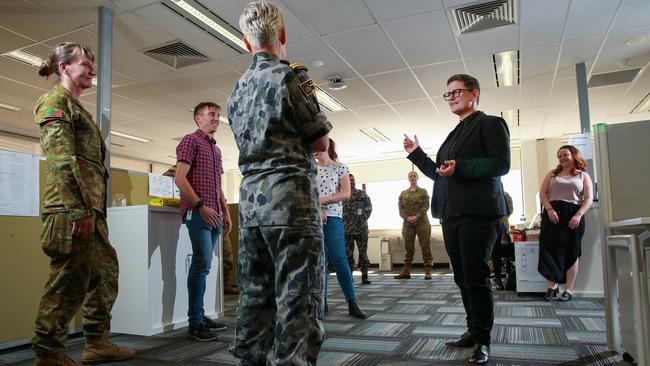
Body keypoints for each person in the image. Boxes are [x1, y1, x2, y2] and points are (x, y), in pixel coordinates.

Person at [228, 1, 332, 364]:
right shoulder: (290, 77)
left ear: (245, 42)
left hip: (252, 206)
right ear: (282, 35)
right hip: (291, 202)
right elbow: (320, 142)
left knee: (254, 295)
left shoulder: (237, 89)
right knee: (297, 296)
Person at [32, 42, 134, 365]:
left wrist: (90, 209)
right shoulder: (53, 102)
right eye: (85, 64)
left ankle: (96, 342)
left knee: (105, 273)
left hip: (90, 210)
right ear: (64, 67)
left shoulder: (78, 110)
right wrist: (78, 209)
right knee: (68, 280)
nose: (92, 70)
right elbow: (62, 161)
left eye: (93, 64)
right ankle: (48, 352)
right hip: (69, 210)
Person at [403, 74, 510, 365]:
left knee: (476, 277)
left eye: (456, 92)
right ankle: (473, 331)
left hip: (479, 213)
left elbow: (501, 164)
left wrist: (460, 166)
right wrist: (416, 153)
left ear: (474, 93)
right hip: (451, 215)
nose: (451, 97)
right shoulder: (455, 133)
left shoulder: (490, 124)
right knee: (463, 277)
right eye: (447, 94)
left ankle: (484, 341)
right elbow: (440, 172)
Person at [175, 102, 231, 341]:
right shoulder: (190, 140)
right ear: (198, 118)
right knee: (201, 265)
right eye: (211, 114)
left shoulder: (216, 150)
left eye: (218, 115)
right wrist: (200, 206)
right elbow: (180, 178)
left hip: (215, 214)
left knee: (205, 267)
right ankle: (195, 322)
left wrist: (225, 212)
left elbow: (217, 187)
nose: (216, 118)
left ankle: (200, 314)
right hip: (198, 214)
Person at [316, 139, 367, 318]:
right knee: (319, 262)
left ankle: (352, 301)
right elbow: (305, 193)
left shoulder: (340, 167)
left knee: (339, 258)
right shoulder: (309, 169)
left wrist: (322, 202)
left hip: (333, 218)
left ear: (326, 146)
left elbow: (345, 194)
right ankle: (321, 302)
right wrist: (316, 207)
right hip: (312, 218)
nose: (314, 151)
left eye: (317, 147)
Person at [538, 145, 593, 302]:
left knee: (572, 251)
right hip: (552, 213)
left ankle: (569, 289)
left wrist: (578, 215)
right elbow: (542, 193)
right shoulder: (552, 174)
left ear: (574, 155)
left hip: (573, 214)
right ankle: (552, 287)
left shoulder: (583, 176)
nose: (562, 158)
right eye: (559, 156)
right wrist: (549, 209)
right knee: (548, 249)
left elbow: (588, 199)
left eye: (565, 155)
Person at [395, 171, 433, 280]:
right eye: (410, 176)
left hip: (422, 222)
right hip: (408, 223)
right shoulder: (403, 193)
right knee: (408, 248)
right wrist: (406, 217)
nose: (412, 178)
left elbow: (426, 206)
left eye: (414, 176)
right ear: (408, 179)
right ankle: (406, 271)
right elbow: (400, 208)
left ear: (417, 178)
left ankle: (428, 270)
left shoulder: (423, 191)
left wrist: (416, 216)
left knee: (425, 246)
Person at [342, 173, 373, 284]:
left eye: (353, 180)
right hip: (346, 230)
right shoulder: (340, 195)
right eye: (349, 180)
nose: (351, 182)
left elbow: (369, 209)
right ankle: (349, 277)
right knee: (348, 255)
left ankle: (365, 276)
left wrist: (362, 219)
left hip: (361, 229)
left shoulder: (362, 194)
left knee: (363, 254)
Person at [492, 190, 514, 290]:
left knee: (497, 252)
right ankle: (497, 278)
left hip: (501, 226)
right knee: (494, 252)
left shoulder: (505, 195)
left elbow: (510, 210)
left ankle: (498, 278)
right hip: (486, 228)